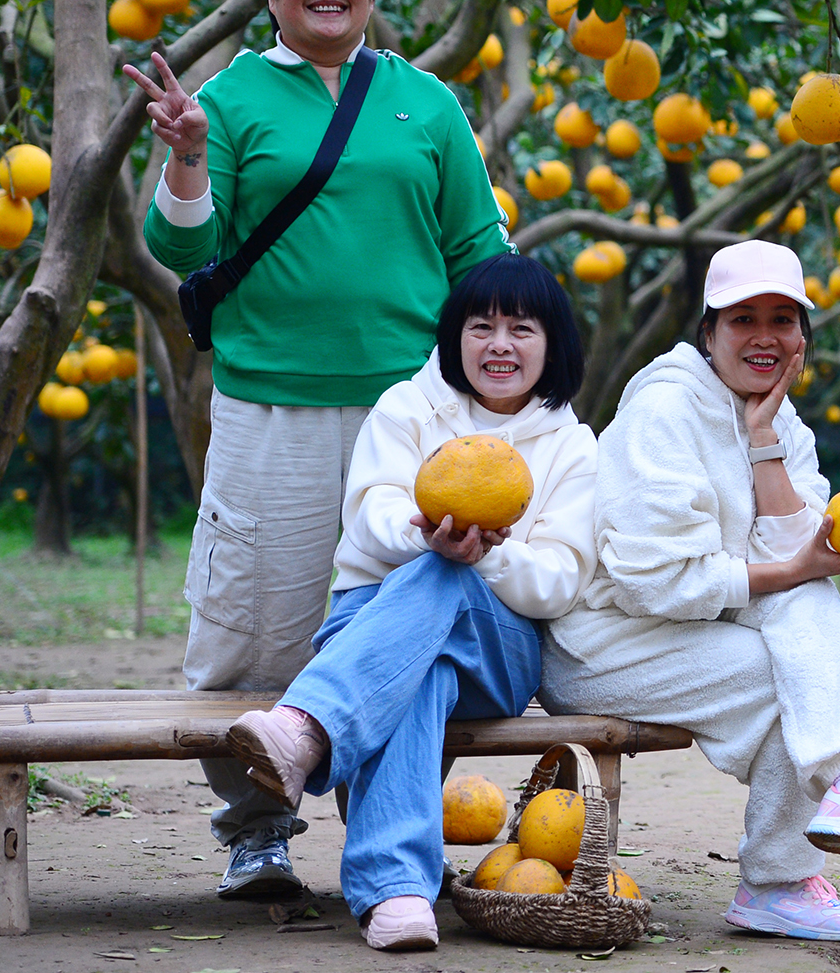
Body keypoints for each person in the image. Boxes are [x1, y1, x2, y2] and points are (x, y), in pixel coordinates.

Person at [131, 0, 511, 900]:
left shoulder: (425, 103)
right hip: (273, 410)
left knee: (404, 624)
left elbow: (479, 253)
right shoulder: (231, 98)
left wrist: (506, 380)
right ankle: (257, 829)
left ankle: (383, 836)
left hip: (418, 418)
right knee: (251, 626)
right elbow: (180, 249)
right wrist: (181, 155)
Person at [540, 240, 840, 943]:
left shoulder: (781, 421)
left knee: (800, 622)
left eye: (783, 319)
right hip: (605, 646)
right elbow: (654, 584)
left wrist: (763, 438)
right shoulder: (666, 407)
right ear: (709, 332)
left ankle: (839, 804)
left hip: (694, 634)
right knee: (793, 669)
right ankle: (789, 868)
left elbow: (795, 560)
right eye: (743, 320)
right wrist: (799, 570)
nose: (765, 337)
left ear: (803, 334)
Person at [219, 253, 598, 952]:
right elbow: (369, 515)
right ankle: (395, 892)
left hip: (499, 650)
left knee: (447, 578)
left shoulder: (573, 447)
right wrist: (425, 535)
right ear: (455, 336)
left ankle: (305, 727)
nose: (500, 344)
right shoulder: (406, 407)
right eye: (481, 326)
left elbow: (560, 580)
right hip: (372, 628)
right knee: (422, 668)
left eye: (522, 328)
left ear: (554, 344)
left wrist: (485, 554)